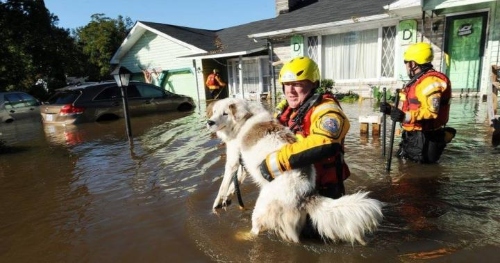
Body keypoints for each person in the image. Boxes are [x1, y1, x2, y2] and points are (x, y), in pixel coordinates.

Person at [259, 56, 351, 199]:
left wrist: (275, 162)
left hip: (323, 191)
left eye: (297, 84)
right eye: (286, 84)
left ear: (313, 84)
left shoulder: (327, 109)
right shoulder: (286, 109)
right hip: (295, 187)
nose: (290, 91)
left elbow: (326, 142)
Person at [380, 42, 455, 163]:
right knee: (401, 162)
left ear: (412, 63)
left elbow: (431, 112)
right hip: (412, 136)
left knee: (418, 173)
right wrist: (390, 110)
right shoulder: (417, 81)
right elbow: (406, 109)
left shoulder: (430, 82)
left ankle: (444, 137)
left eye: (406, 63)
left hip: (426, 138)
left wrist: (404, 116)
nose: (406, 67)